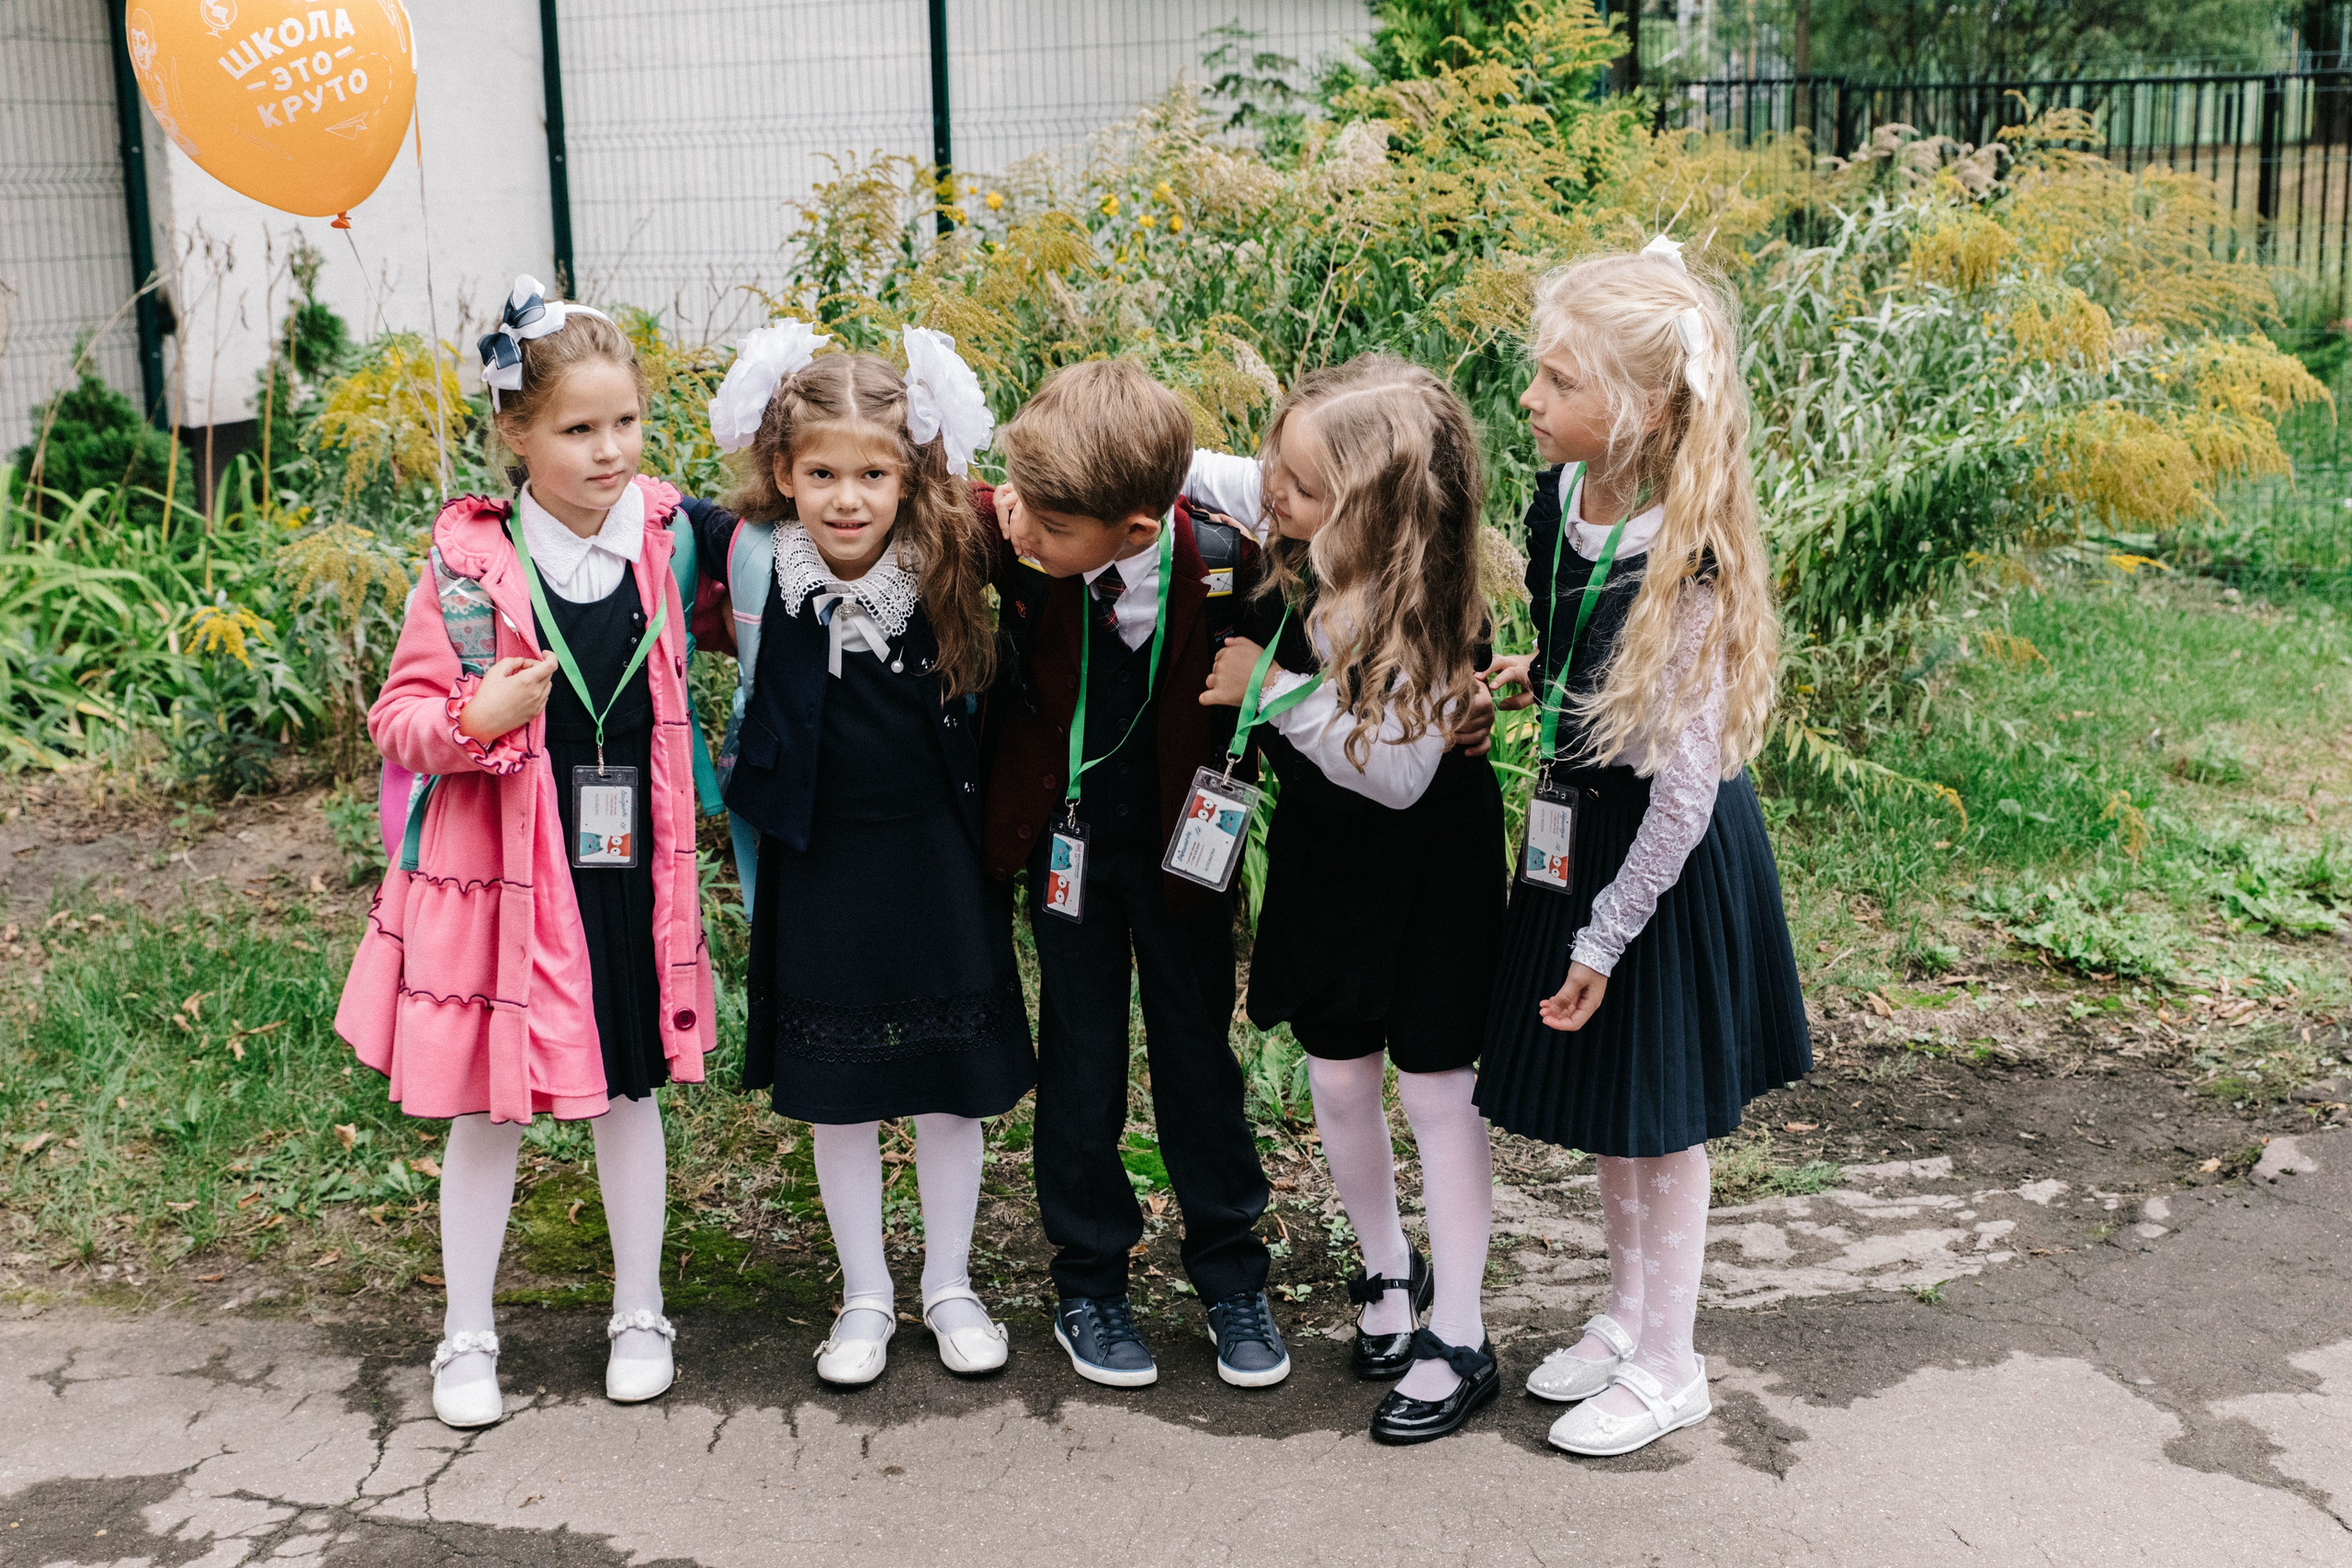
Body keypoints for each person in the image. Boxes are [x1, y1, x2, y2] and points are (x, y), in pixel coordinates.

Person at [336, 276, 717, 1428]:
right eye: (577, 429)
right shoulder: (466, 572)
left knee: (628, 1089)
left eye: (626, 423)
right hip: (508, 876)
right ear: (515, 432)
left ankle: (640, 1308)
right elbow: (398, 717)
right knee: (488, 1110)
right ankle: (466, 1335)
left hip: (627, 869)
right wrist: (472, 720)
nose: (611, 451)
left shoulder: (669, 536)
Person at [1476, 239, 1812, 1457]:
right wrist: (1528, 679)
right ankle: (1626, 1318)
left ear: (1641, 405)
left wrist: (1608, 933)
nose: (1531, 399)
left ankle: (1673, 1361)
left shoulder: (1694, 556)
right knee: (1615, 1106)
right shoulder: (1565, 498)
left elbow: (1681, 786)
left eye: (1557, 381)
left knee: (1660, 1123)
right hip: (1585, 829)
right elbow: (1577, 656)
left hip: (1660, 867)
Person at [694, 322, 1031, 1386]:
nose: (847, 498)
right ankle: (865, 1295)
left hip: (937, 854)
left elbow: (1080, 499)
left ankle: (949, 1282)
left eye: (873, 473)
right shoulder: (752, 556)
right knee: (836, 1088)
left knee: (948, 1086)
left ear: (911, 471)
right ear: (781, 470)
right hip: (817, 860)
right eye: (822, 473)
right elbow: (615, 522)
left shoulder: (956, 553)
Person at [1186, 355, 1509, 1445]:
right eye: (1274, 467)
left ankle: (1459, 1332)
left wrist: (1269, 692)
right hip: (1330, 864)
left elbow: (1402, 773)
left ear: (1380, 511)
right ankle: (1386, 1270)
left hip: (1428, 870)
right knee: (1335, 1078)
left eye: (1302, 487)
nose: (1272, 495)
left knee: (1435, 1093)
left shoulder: (1424, 597)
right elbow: (1184, 468)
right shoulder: (1295, 503)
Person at [983, 360, 1292, 1389]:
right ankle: (1090, 1280)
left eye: (1047, 525)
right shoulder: (1019, 538)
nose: (1020, 528)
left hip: (1188, 858)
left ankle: (1231, 1272)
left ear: (1135, 530)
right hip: (1069, 853)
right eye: (1016, 503)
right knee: (1079, 1062)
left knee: (1199, 1056)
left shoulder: (1233, 557)